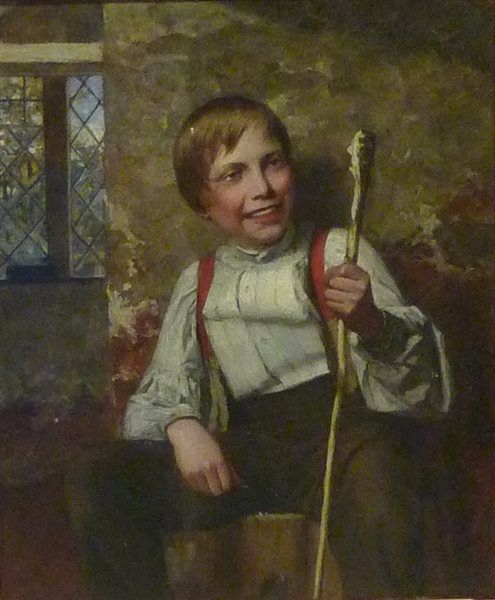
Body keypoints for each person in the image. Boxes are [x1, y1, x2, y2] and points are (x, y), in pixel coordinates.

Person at [67, 96, 452, 599]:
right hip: (250, 453)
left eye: (272, 163)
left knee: (377, 480)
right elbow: (158, 397)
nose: (262, 189)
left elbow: (423, 394)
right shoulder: (200, 284)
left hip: (342, 441)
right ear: (202, 203)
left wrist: (372, 324)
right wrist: (181, 426)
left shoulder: (339, 251)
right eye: (234, 175)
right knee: (100, 477)